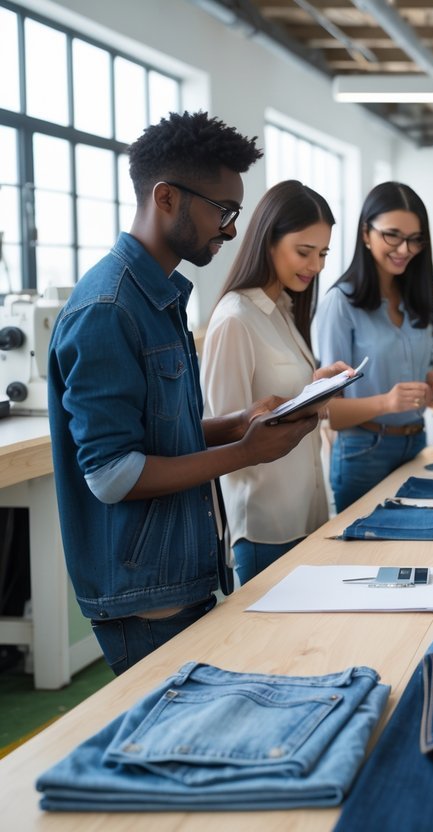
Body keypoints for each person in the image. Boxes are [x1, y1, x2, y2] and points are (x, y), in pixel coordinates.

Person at [47, 111, 318, 674]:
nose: (230, 229)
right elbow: (113, 474)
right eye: (222, 211)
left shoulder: (160, 297)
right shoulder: (108, 308)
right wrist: (246, 453)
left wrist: (240, 422)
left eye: (235, 213)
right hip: (146, 592)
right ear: (166, 198)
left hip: (182, 574)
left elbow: (162, 434)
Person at [201, 180, 354, 584]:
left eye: (322, 253)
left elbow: (275, 399)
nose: (317, 266)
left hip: (306, 512)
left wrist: (313, 388)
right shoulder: (235, 318)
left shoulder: (283, 309)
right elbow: (224, 431)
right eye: (304, 252)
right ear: (268, 240)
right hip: (264, 525)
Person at [313, 182, 433, 512]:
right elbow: (330, 411)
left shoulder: (417, 299)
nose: (405, 249)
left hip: (416, 442)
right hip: (363, 453)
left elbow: (409, 374)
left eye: (415, 239)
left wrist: (431, 385)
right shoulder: (340, 303)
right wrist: (387, 402)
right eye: (392, 235)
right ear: (365, 234)